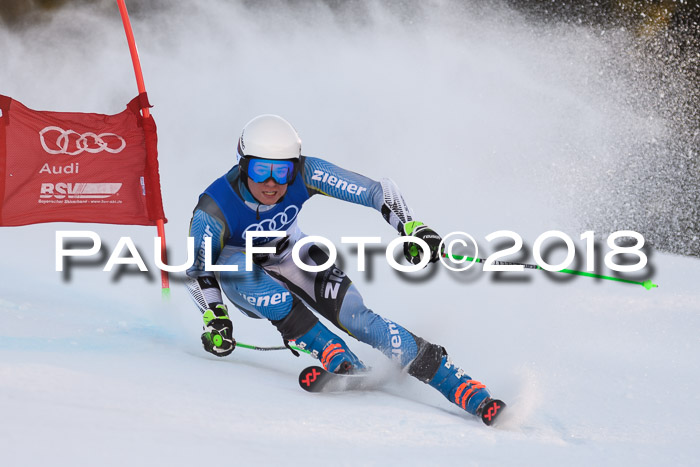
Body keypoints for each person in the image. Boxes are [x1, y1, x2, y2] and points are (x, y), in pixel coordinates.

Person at [185, 115, 505, 425]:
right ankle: (332, 351)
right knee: (242, 269)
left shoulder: (308, 172)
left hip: (291, 255)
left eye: (282, 172)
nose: (271, 182)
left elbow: (378, 190)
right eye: (260, 170)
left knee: (357, 317)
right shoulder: (214, 209)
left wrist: (411, 227)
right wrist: (216, 316)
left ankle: (462, 387)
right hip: (239, 274)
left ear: (294, 168)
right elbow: (198, 271)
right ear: (242, 166)